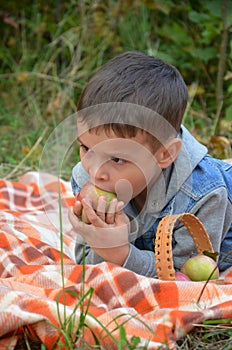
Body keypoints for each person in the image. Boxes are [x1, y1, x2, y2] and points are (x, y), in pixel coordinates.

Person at [68, 50, 232, 277]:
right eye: (87, 149)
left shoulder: (205, 195)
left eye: (117, 159)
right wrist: (101, 240)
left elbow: (185, 276)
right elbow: (86, 263)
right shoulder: (87, 179)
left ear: (164, 154)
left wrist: (121, 253)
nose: (96, 172)